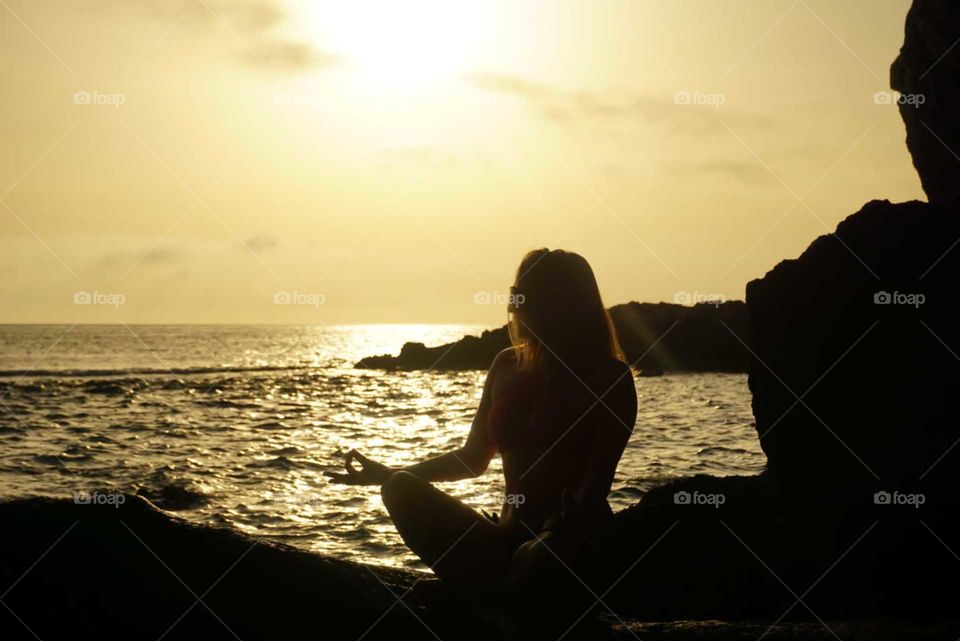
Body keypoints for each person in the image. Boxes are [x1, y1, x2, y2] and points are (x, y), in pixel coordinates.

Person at [327, 248, 637, 594]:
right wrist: (387, 474)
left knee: (539, 557)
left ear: (560, 302)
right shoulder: (506, 365)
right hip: (505, 538)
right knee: (399, 488)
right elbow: (473, 459)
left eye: (525, 293)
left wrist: (564, 524)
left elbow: (596, 484)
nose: (514, 301)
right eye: (515, 291)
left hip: (568, 545)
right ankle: (496, 593)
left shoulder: (610, 378)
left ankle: (485, 595)